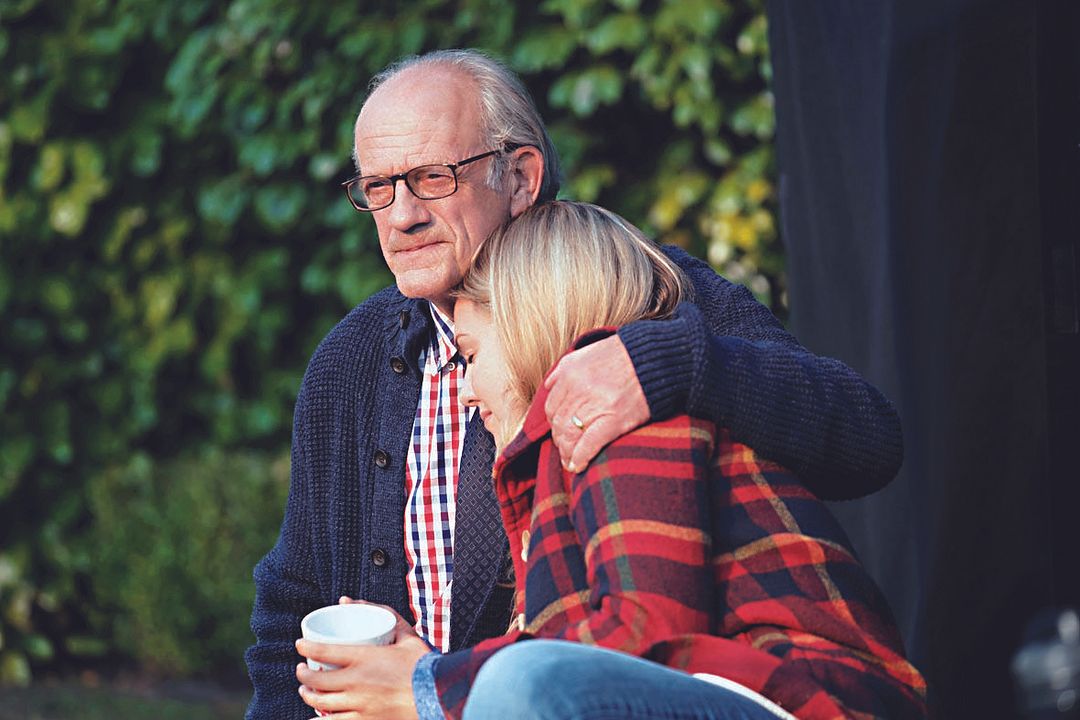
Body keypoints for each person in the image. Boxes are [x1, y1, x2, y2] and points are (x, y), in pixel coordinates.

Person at [246, 49, 905, 719]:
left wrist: (674, 362)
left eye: (431, 178)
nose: (400, 215)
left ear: (521, 176)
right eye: (377, 188)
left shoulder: (640, 293)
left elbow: (869, 439)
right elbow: (292, 608)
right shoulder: (349, 362)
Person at [294, 201, 928, 719]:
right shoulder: (552, 465)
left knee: (521, 681)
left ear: (528, 326)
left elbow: (643, 639)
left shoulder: (622, 415)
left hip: (808, 704)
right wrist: (416, 670)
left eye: (471, 355)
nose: (464, 389)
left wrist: (428, 686)